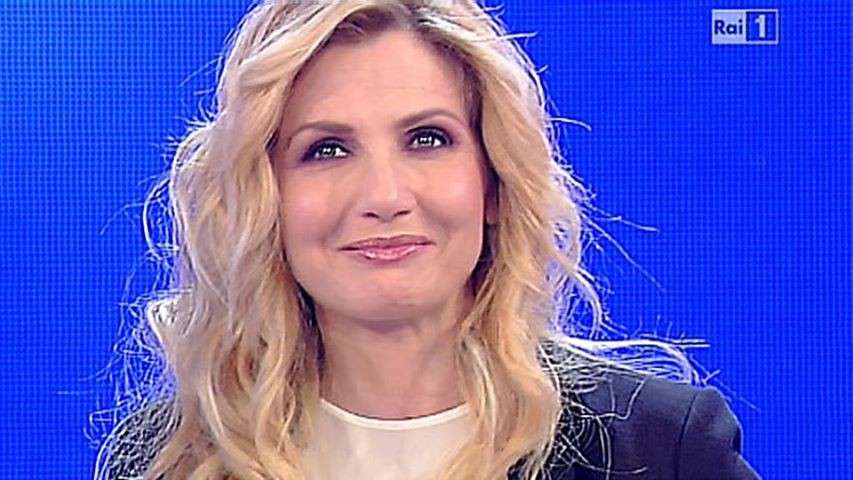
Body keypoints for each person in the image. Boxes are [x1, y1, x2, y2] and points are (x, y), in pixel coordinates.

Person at [94, 1, 760, 479]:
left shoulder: (659, 448)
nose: (385, 196)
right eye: (326, 150)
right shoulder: (166, 459)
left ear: (493, 183)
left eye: (427, 139)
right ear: (263, 200)